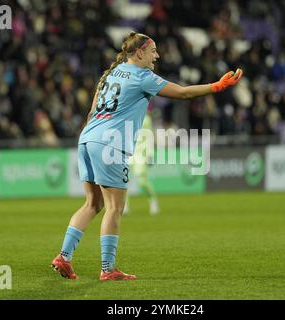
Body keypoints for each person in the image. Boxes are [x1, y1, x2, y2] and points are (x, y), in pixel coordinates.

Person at [51, 32, 243, 281]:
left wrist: (94, 137)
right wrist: (216, 86)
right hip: (110, 144)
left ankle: (64, 257)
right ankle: (108, 269)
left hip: (87, 138)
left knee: (92, 204)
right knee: (114, 208)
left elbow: (92, 109)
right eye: (153, 51)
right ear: (140, 52)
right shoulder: (142, 76)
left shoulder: (111, 74)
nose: (158, 56)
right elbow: (183, 93)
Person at [123, 111, 160, 216]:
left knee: (142, 181)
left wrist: (150, 154)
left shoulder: (146, 118)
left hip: (141, 153)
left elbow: (149, 136)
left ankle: (153, 201)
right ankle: (124, 205)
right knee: (124, 181)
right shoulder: (127, 114)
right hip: (128, 153)